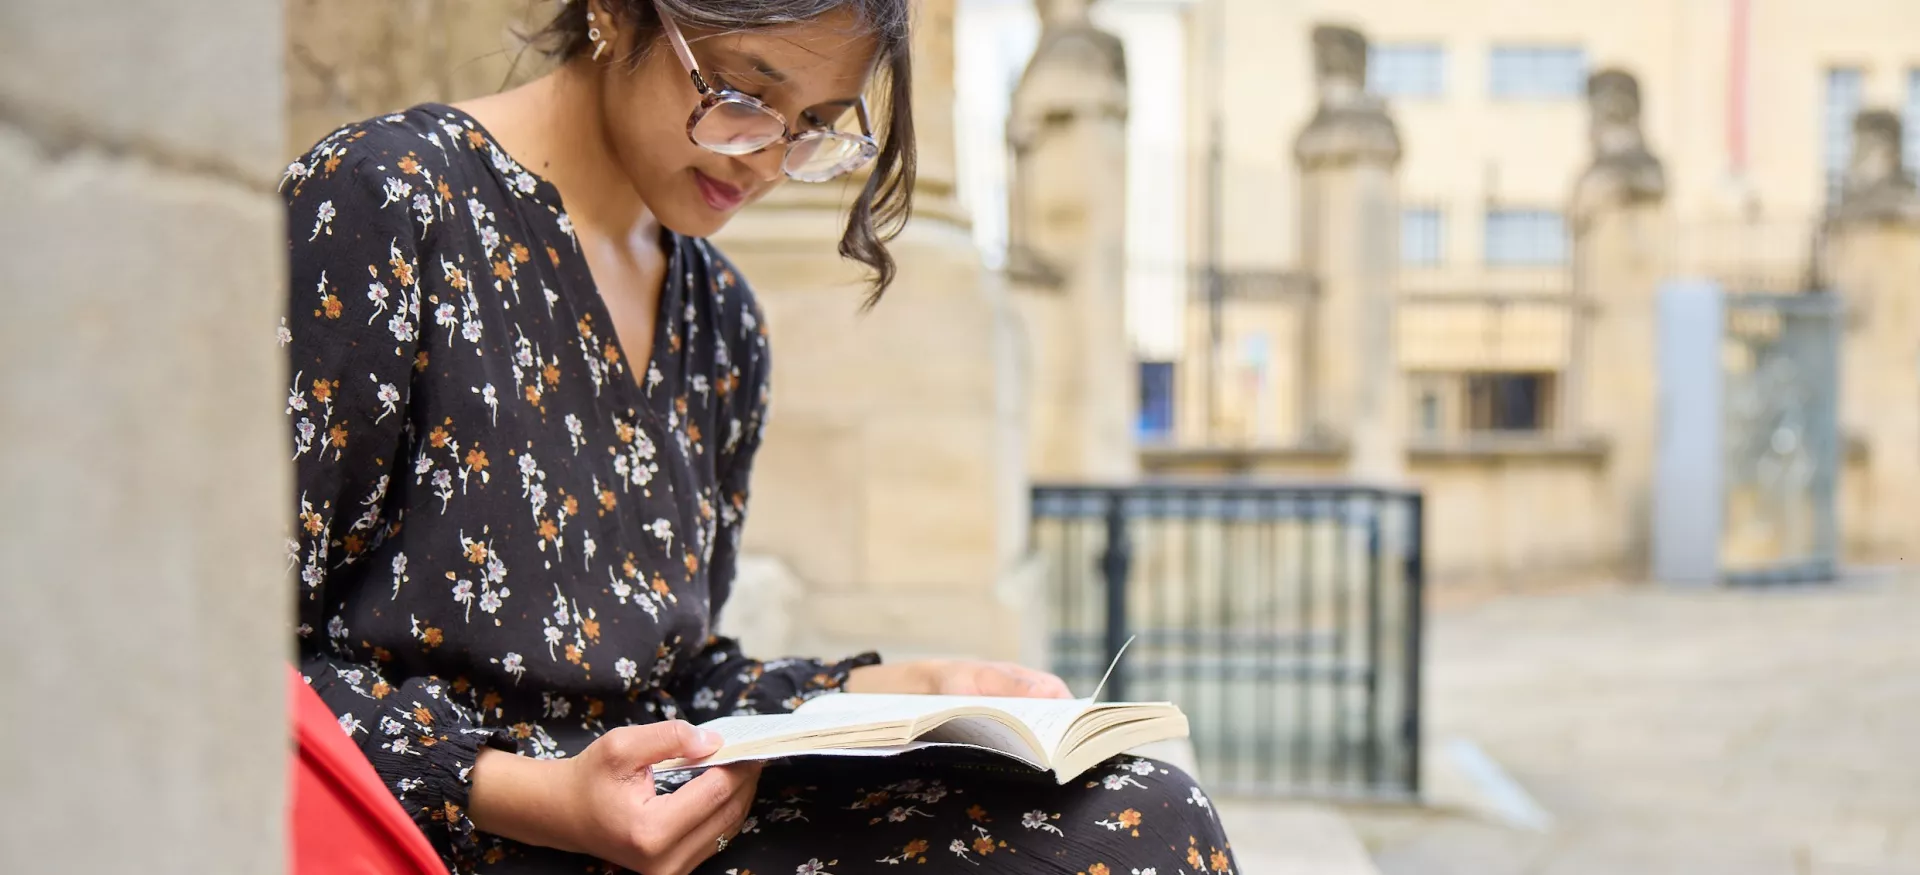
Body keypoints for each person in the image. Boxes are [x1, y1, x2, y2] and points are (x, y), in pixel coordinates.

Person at [283, 1, 1240, 872]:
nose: (765, 158)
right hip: (434, 828)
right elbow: (236, 642)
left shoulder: (720, 315)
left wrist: (906, 684)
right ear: (615, 12)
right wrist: (525, 793)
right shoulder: (384, 203)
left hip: (657, 815)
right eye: (743, 93)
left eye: (818, 124)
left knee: (1141, 813)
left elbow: (675, 677)